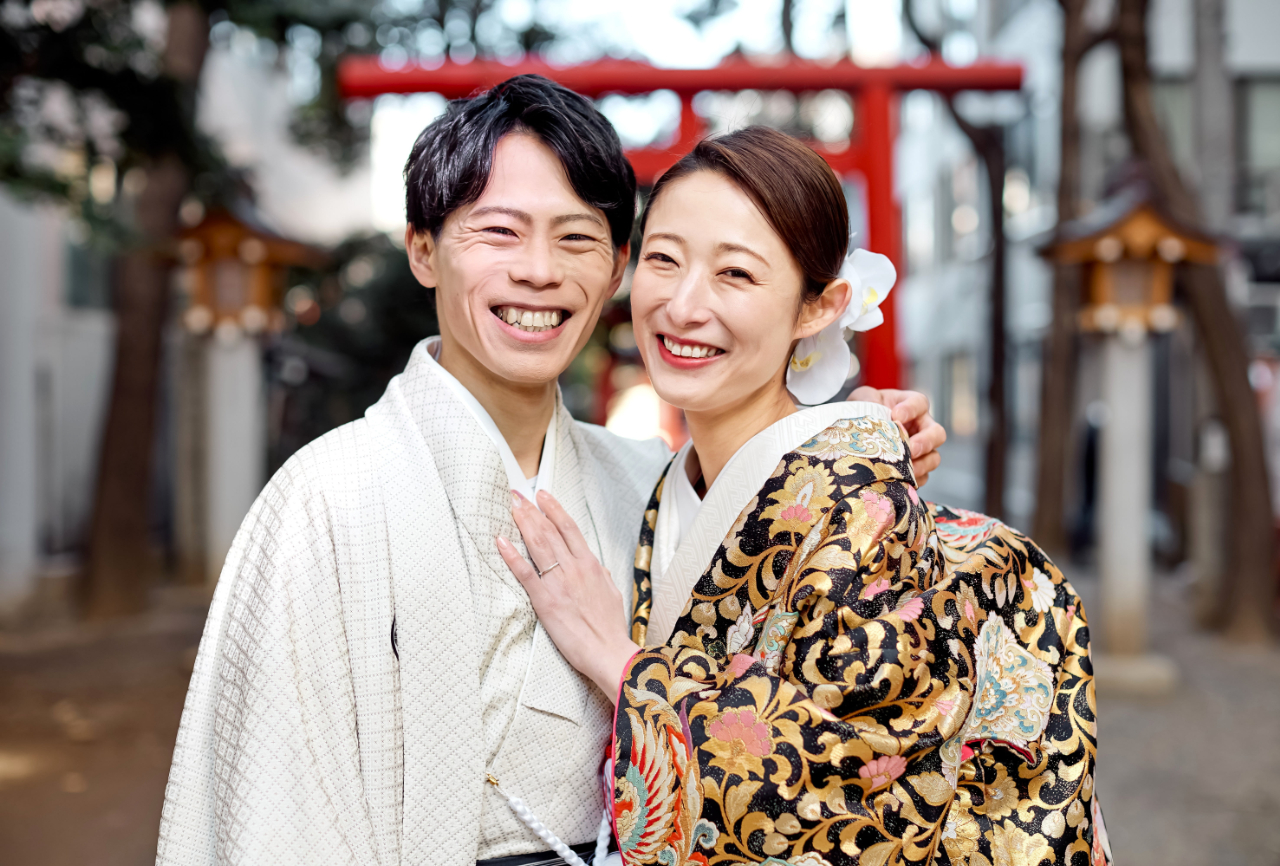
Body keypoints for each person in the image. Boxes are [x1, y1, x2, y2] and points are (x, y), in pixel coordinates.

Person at [157, 76, 947, 866]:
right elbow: (279, 809)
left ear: (615, 270)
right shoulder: (324, 499)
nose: (539, 271)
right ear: (424, 249)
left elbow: (786, 638)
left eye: (575, 238)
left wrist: (838, 448)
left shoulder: (651, 481)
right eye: (499, 232)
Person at [499, 127, 1112, 866]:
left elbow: (845, 793)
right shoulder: (679, 480)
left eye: (736, 275)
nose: (683, 306)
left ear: (819, 307)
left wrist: (614, 657)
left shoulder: (860, 507)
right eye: (663, 259)